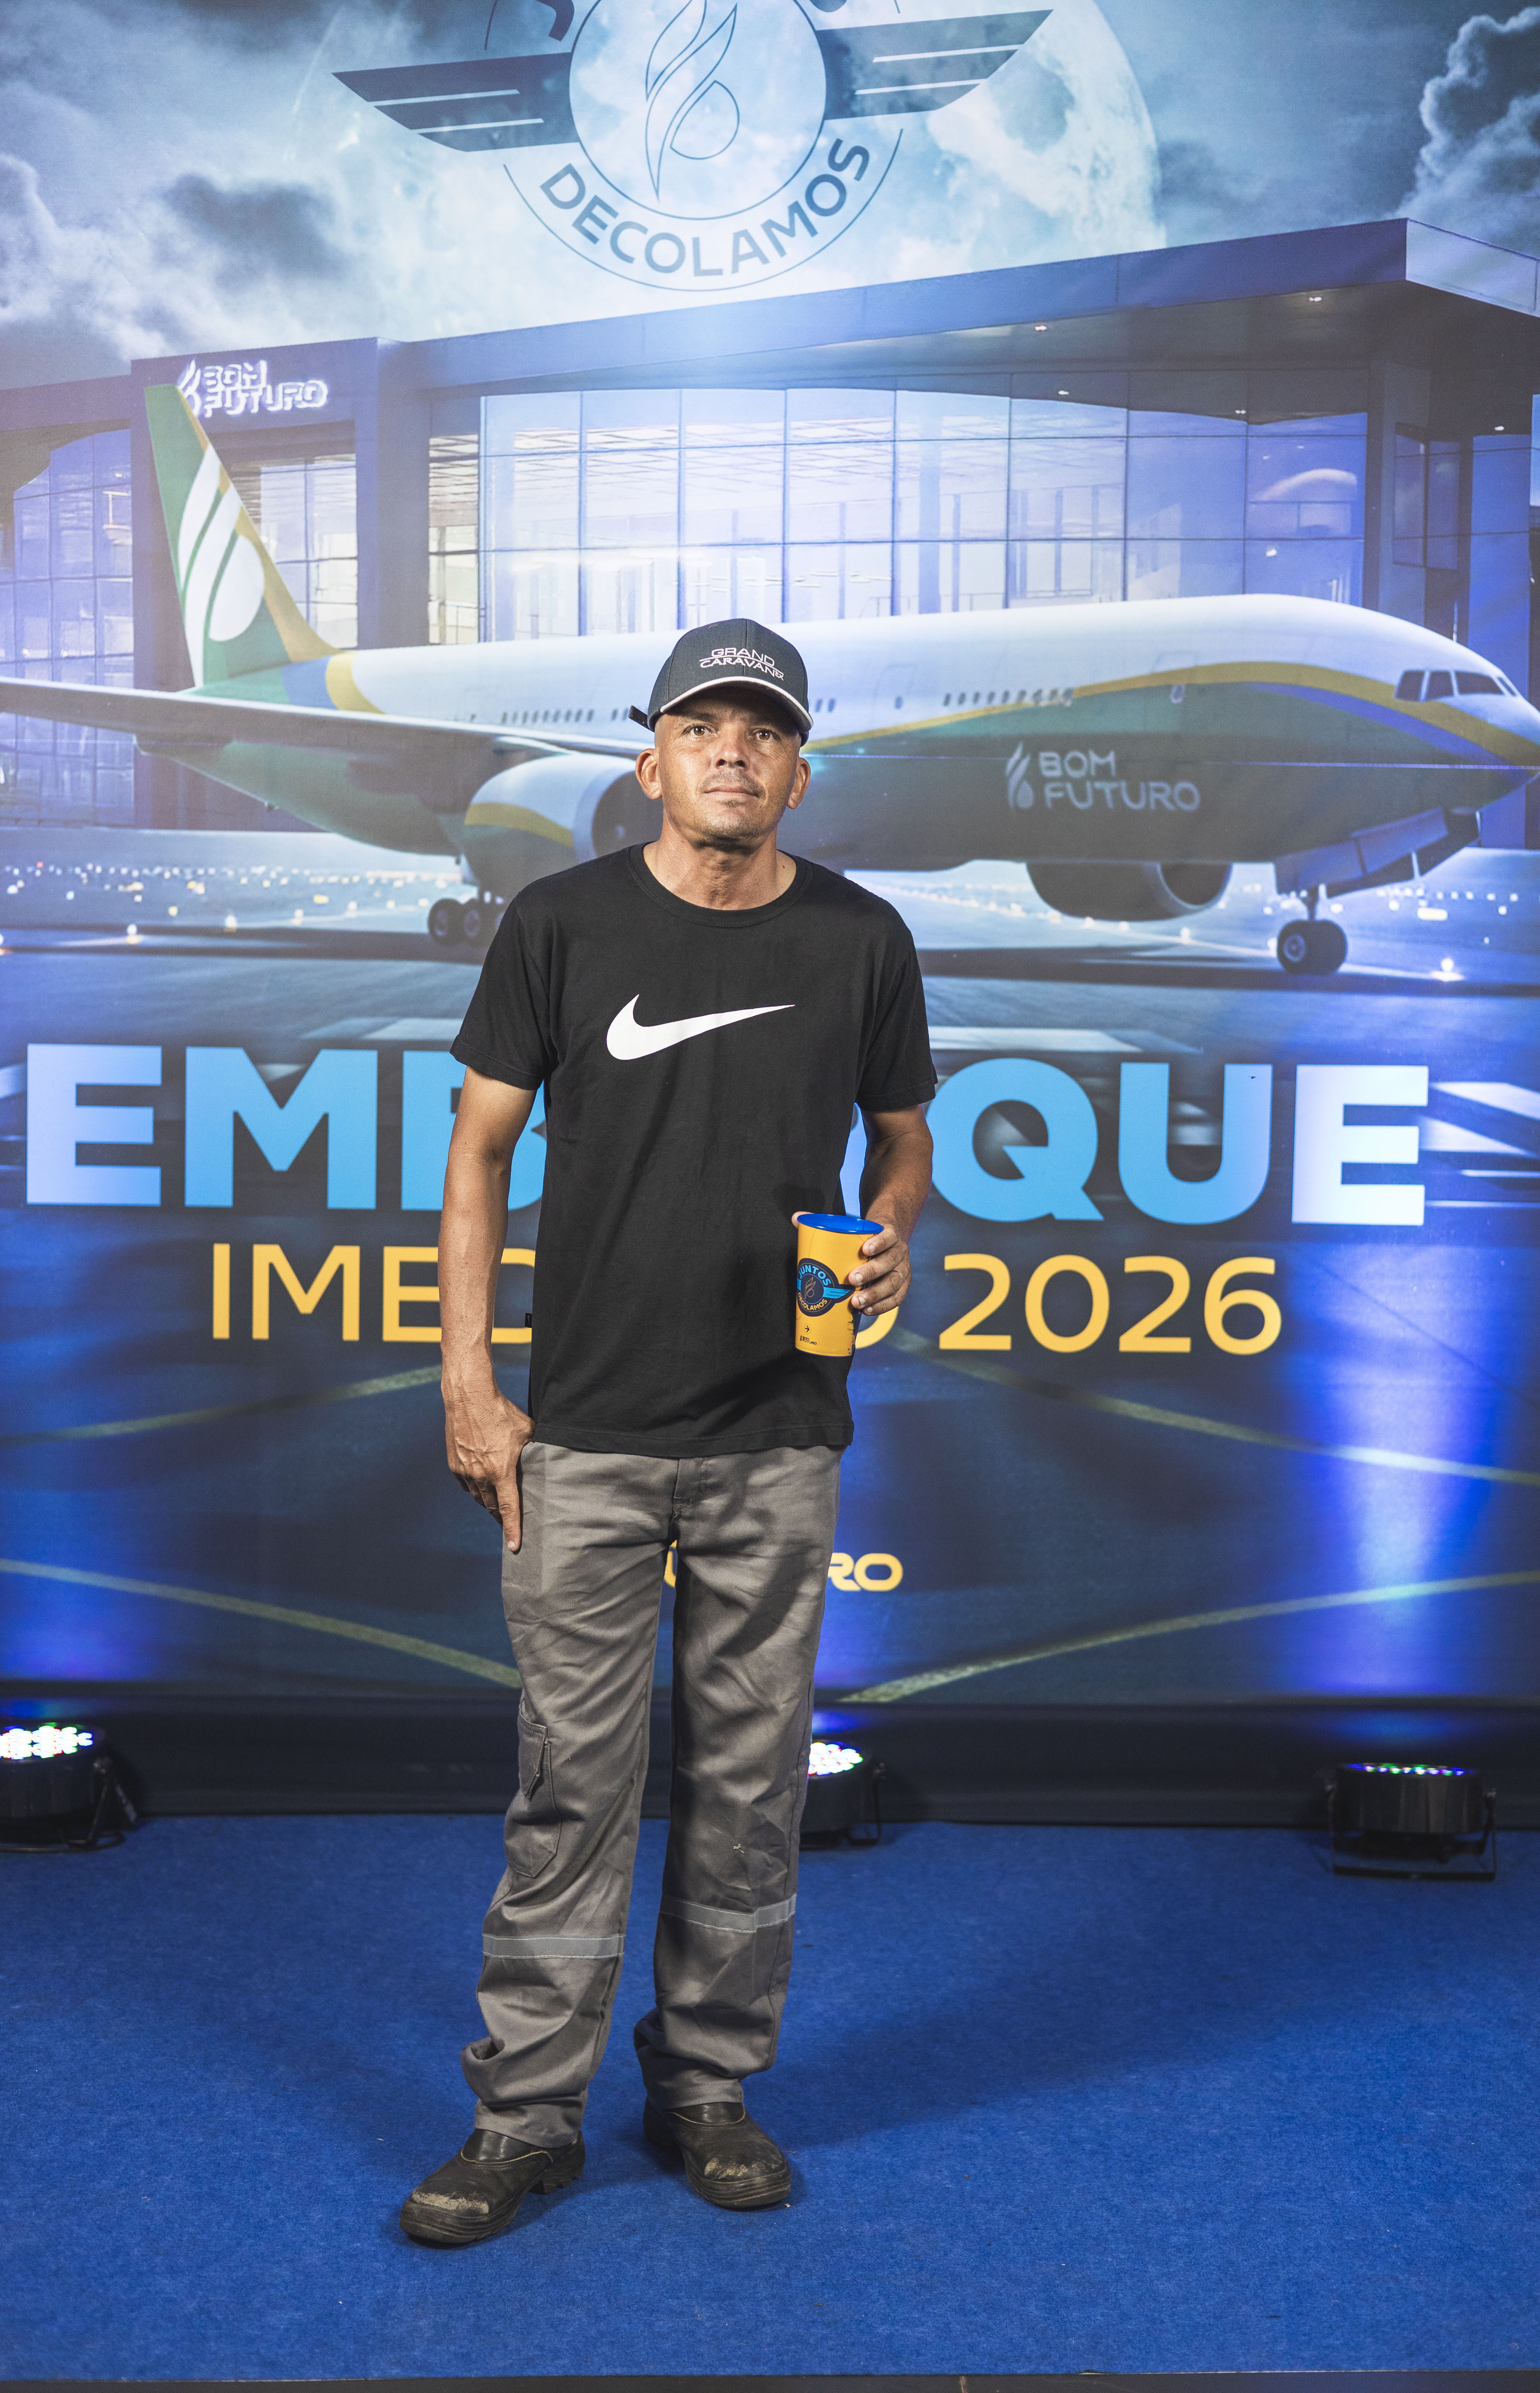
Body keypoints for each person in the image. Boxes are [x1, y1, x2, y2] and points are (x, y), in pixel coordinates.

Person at [400, 618, 935, 2246]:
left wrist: (894, 1235)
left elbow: (904, 1143)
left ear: (798, 771)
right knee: (572, 1788)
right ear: (651, 761)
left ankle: (705, 2087)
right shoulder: (559, 923)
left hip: (780, 1432)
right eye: (703, 728)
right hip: (587, 1433)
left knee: (750, 1791)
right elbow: (478, 1155)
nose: (733, 753)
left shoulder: (862, 938)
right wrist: (470, 1382)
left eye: (763, 731)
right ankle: (525, 2117)